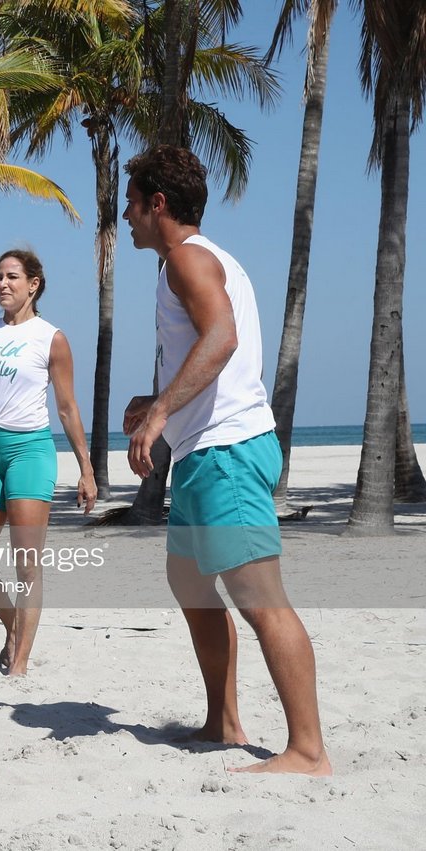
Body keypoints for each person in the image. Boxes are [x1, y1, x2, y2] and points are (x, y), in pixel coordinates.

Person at [121, 144, 330, 775]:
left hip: (228, 450)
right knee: (188, 582)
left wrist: (158, 417)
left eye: (131, 204)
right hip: (202, 453)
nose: (126, 216)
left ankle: (307, 750)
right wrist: (154, 400)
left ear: (159, 203)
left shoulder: (188, 258)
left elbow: (222, 337)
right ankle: (223, 722)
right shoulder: (190, 263)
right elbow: (214, 352)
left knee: (259, 596)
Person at [0, 249, 96, 676]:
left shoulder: (51, 338)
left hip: (30, 451)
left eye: (12, 277)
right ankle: (14, 623)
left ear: (33, 284)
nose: (2, 284)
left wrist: (85, 469)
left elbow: (67, 409)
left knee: (26, 564)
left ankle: (20, 663)